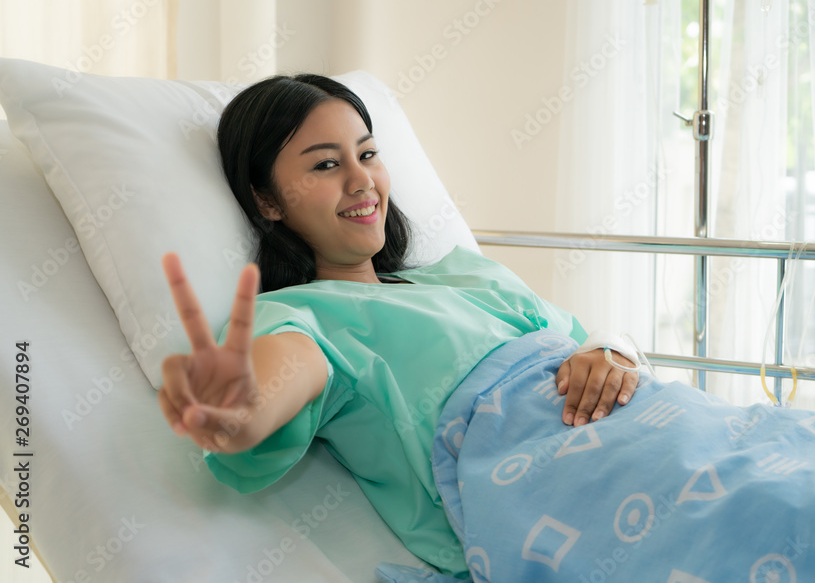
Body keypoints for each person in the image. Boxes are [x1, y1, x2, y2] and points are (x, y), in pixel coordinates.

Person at [156, 74, 638, 576]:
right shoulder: (304, 318)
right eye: (325, 164)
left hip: (656, 430)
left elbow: (593, 345)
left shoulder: (467, 273)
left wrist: (610, 355)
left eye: (366, 155)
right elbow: (266, 391)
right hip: (578, 506)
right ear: (268, 202)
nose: (361, 180)